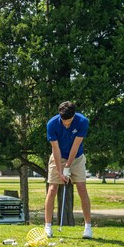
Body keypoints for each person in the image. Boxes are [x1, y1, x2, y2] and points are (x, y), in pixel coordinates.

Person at [44, 101, 93, 239]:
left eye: (69, 121)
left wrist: (68, 166)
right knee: (52, 189)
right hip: (58, 157)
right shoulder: (52, 124)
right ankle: (47, 226)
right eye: (64, 121)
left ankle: (88, 227)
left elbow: (75, 146)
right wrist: (60, 171)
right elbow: (56, 149)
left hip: (76, 157)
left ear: (74, 116)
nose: (66, 124)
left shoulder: (82, 121)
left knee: (82, 188)